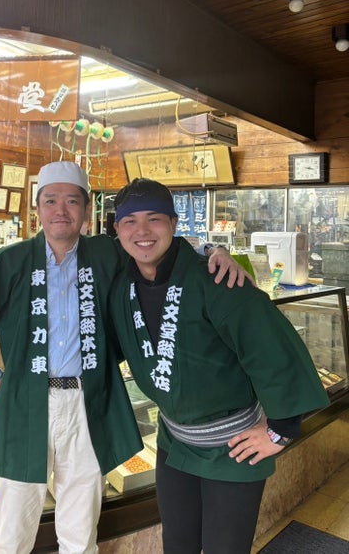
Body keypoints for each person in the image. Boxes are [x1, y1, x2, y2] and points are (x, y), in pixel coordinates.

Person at [0, 161, 250, 554]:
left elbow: (157, 248)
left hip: (88, 401)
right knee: (13, 529)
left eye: (71, 201)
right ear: (38, 208)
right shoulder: (11, 261)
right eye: (50, 201)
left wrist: (214, 251)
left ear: (85, 209)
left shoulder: (105, 253)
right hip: (25, 403)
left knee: (80, 531)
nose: (60, 210)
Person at [109, 177, 330, 554]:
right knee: (177, 544)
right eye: (130, 221)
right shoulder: (121, 285)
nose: (142, 231)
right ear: (116, 230)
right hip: (174, 442)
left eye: (154, 219)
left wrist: (280, 431)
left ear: (174, 224)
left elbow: (270, 347)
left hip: (232, 448)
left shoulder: (216, 279)